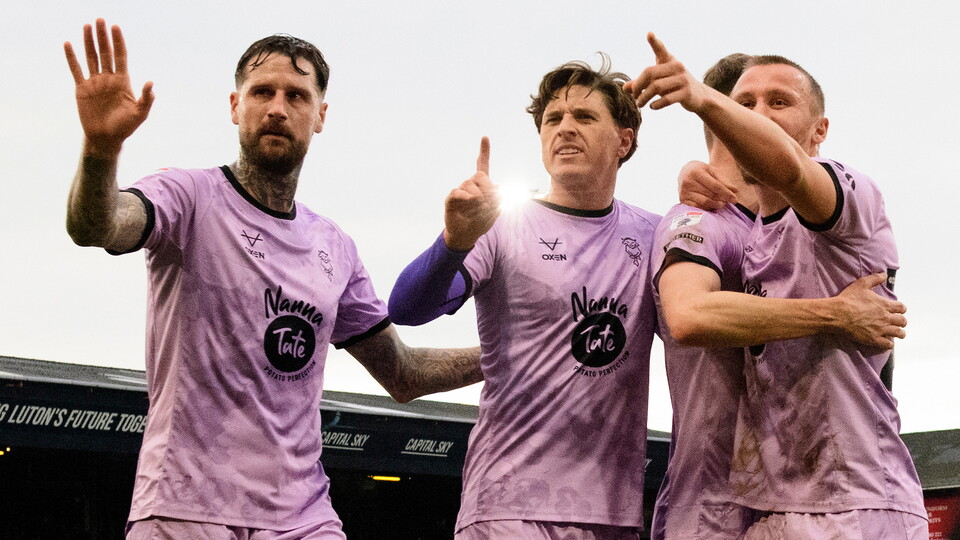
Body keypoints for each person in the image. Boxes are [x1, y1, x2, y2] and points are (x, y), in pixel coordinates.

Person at [63, 19, 482, 539]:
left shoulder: (334, 247)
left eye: (297, 96)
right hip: (185, 511)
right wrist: (100, 150)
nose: (278, 108)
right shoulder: (187, 197)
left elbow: (404, 374)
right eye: (262, 92)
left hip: (302, 519)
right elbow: (96, 224)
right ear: (235, 106)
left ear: (321, 116)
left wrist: (512, 351)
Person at [629, 34, 926, 538]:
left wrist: (703, 97)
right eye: (744, 104)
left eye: (779, 102)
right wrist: (834, 312)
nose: (759, 114)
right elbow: (689, 316)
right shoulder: (721, 225)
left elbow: (787, 166)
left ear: (820, 129)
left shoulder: (844, 195)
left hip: (854, 504)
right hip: (741, 502)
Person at [389, 55, 659, 538]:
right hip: (506, 506)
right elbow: (407, 309)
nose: (565, 128)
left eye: (584, 116)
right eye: (553, 119)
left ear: (624, 139)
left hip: (613, 512)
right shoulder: (501, 226)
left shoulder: (655, 235)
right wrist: (453, 242)